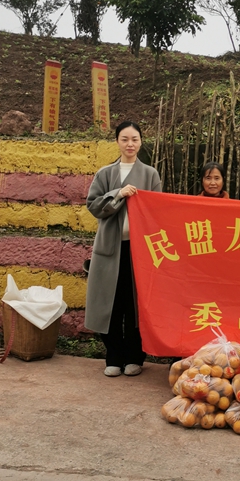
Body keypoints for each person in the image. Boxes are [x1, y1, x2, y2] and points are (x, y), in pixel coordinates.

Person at [84, 121, 162, 377]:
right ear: (117, 141)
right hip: (110, 249)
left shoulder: (150, 174)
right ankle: (113, 357)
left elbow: (158, 212)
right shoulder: (105, 174)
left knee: (136, 305)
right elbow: (94, 206)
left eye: (135, 139)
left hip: (140, 252)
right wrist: (118, 193)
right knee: (110, 304)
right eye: (125, 139)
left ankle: (135, 357)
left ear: (141, 142)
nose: (130, 144)